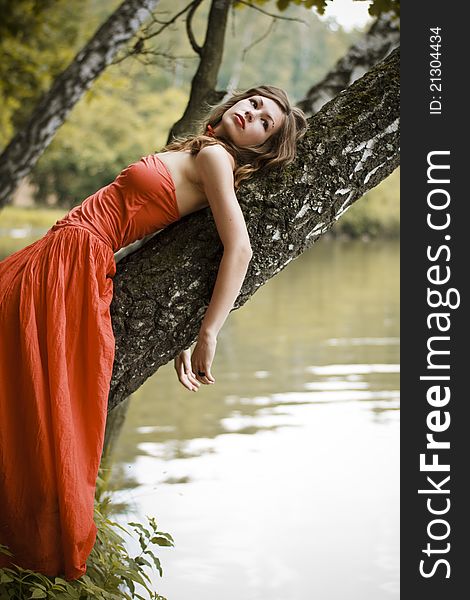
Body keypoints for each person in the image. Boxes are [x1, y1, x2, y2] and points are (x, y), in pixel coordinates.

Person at [0, 85, 307, 580]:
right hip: (60, 250)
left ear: (260, 148)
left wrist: (209, 332)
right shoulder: (198, 150)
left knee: (29, 382)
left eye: (265, 122)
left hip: (76, 257)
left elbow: (241, 249)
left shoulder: (215, 158)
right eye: (252, 104)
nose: (251, 114)